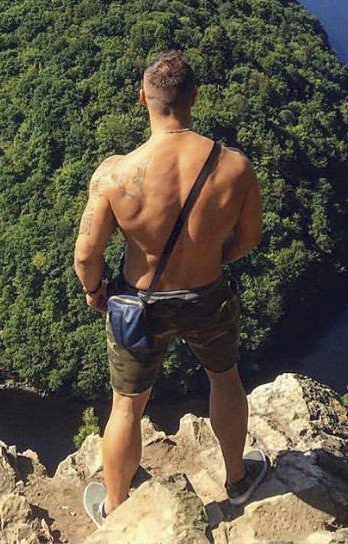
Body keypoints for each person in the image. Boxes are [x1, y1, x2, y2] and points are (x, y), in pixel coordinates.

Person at [73, 49, 269, 527]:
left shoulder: (115, 174)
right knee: (225, 379)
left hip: (140, 305)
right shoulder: (234, 168)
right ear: (194, 98)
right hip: (208, 296)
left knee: (126, 406)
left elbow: (85, 255)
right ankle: (238, 480)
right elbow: (249, 238)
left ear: (143, 99)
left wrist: (95, 291)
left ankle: (116, 510)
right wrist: (212, 257)